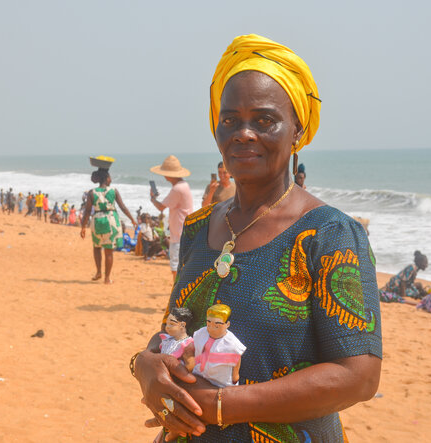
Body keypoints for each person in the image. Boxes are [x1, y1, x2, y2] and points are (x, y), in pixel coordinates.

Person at [131, 34, 380, 442]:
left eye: (264, 120)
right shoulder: (198, 227)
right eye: (230, 119)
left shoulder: (331, 234)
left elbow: (360, 376)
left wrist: (224, 406)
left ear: (297, 130)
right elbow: (176, 331)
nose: (243, 133)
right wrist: (144, 364)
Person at [80, 167, 136, 284]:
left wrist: (83, 227)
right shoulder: (114, 191)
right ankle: (107, 278)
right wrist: (132, 219)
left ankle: (98, 272)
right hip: (111, 221)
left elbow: (87, 211)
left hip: (97, 220)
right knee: (109, 251)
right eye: (110, 177)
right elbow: (123, 207)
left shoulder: (91, 192)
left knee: (97, 247)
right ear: (106, 178)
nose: (111, 179)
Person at [149, 155, 194, 280]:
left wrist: (152, 198)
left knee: (175, 266)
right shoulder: (184, 185)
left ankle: (176, 293)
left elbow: (161, 207)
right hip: (185, 231)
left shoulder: (177, 189)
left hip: (179, 234)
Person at [182, 304, 246, 388]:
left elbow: (237, 358)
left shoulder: (232, 343)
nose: (211, 329)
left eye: (217, 326)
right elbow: (195, 346)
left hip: (219, 379)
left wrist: (235, 375)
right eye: (209, 324)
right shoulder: (201, 333)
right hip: (199, 373)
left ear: (227, 324)